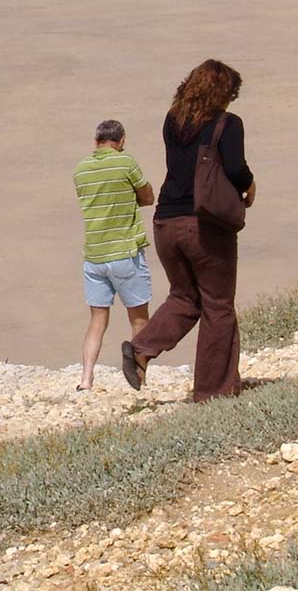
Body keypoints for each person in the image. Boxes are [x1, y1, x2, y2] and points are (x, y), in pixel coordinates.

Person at [121, 60, 255, 403]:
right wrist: (250, 186)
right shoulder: (228, 123)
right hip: (204, 225)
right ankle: (213, 393)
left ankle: (140, 348)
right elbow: (236, 168)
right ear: (225, 93)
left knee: (184, 297)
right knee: (218, 306)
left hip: (165, 222)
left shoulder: (173, 120)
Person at [73, 120, 154, 391]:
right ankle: (140, 373)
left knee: (97, 319)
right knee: (139, 317)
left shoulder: (81, 169)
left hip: (94, 254)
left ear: (95, 141)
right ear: (121, 141)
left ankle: (86, 378)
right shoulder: (125, 162)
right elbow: (147, 196)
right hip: (125, 251)